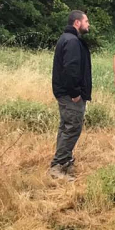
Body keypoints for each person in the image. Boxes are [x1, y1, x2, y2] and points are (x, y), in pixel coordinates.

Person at [49, 10, 92, 180]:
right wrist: (75, 92)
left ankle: (65, 161)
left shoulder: (68, 39)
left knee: (66, 126)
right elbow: (71, 69)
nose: (88, 24)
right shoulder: (72, 41)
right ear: (77, 23)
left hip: (65, 92)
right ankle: (57, 166)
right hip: (70, 94)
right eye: (86, 21)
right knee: (72, 128)